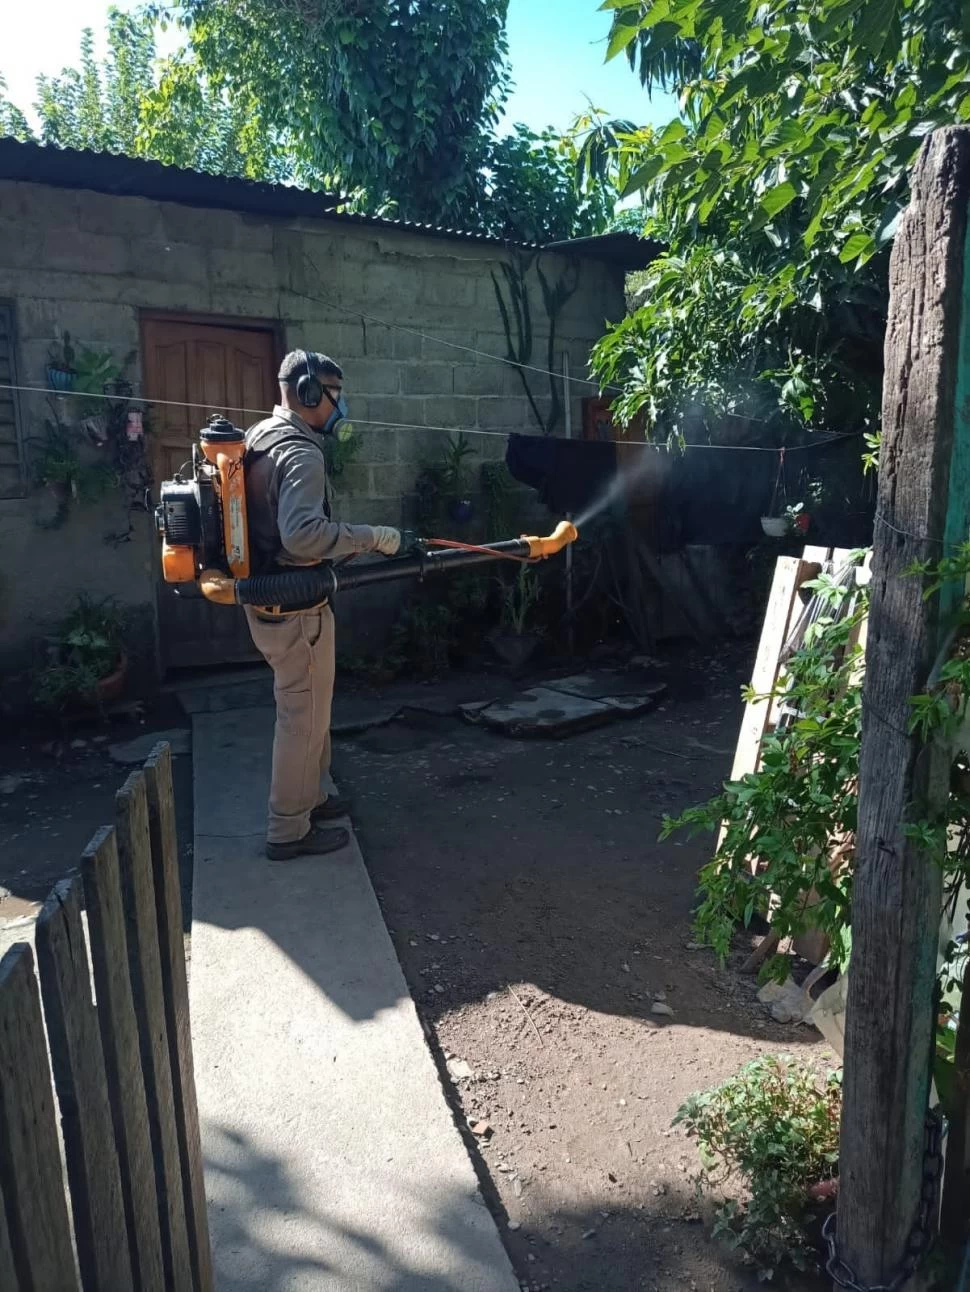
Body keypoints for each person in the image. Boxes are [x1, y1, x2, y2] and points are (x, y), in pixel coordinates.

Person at [244, 350, 400, 860]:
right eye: (335, 393)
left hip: (274, 599)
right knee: (301, 716)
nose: (341, 404)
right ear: (311, 393)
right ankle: (287, 829)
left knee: (311, 708)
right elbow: (304, 536)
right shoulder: (301, 453)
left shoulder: (259, 437)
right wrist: (372, 537)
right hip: (295, 607)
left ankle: (310, 797)